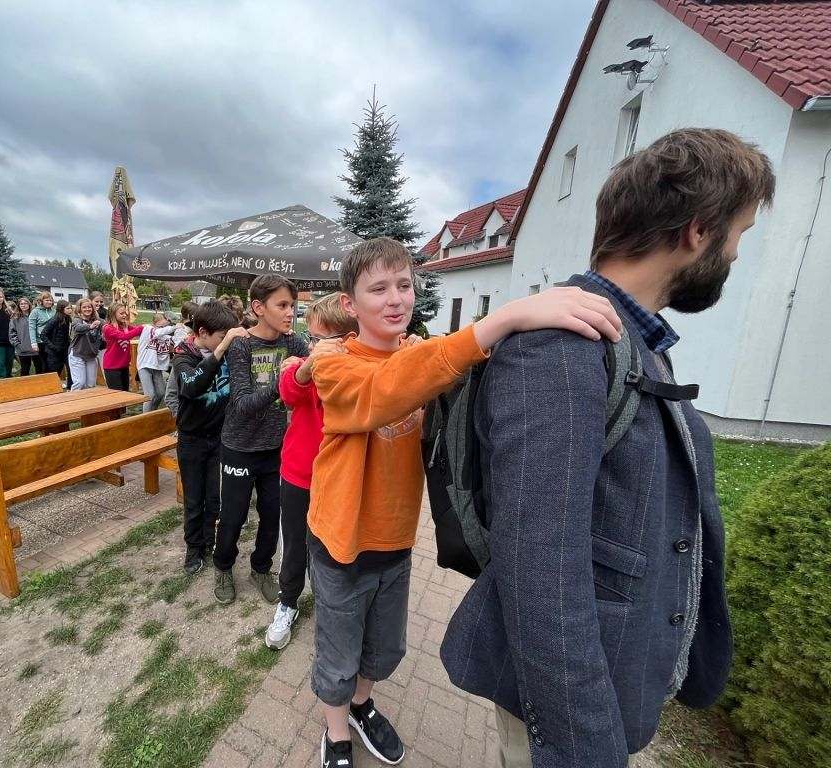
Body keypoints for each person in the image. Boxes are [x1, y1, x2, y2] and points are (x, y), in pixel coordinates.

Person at [439, 128, 775, 768]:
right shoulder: (561, 349)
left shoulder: (630, 337)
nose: (735, 252)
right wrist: (583, 746)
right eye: (739, 233)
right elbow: (542, 570)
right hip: (569, 702)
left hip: (613, 671)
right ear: (698, 231)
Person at [306, 237, 622, 767]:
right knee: (338, 651)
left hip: (395, 537)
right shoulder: (333, 364)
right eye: (378, 289)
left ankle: (361, 707)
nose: (395, 298)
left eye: (404, 285)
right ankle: (336, 733)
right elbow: (384, 391)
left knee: (383, 647)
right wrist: (506, 317)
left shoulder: (419, 354)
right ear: (348, 304)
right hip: (341, 540)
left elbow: (437, 374)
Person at [264, 292, 358, 651]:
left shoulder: (359, 372)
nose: (311, 345)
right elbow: (288, 394)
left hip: (338, 479)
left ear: (348, 338)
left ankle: (330, 603)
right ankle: (287, 602)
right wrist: (307, 365)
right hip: (299, 474)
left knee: (334, 548)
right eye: (310, 337)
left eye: (319, 338)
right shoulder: (305, 365)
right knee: (293, 544)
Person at [212, 275, 309, 606]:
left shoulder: (294, 343)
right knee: (234, 515)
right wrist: (285, 381)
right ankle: (223, 565)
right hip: (239, 446)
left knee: (272, 514)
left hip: (276, 447)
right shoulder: (241, 345)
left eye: (292, 305)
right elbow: (241, 404)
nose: (290, 313)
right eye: (282, 305)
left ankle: (261, 568)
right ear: (258, 307)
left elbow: (316, 370)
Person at [170, 301, 249, 575]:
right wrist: (221, 348)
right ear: (202, 332)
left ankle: (209, 540)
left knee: (214, 498)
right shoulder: (183, 355)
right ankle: (193, 548)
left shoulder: (226, 353)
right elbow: (191, 386)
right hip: (191, 440)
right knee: (194, 500)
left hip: (218, 437)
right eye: (222, 336)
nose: (226, 341)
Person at [136, 313, 176, 411]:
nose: (163, 329)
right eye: (160, 326)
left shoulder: (164, 335)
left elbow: (175, 340)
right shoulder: (148, 329)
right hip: (145, 366)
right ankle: (145, 417)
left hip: (157, 367)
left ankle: (152, 412)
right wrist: (174, 327)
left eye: (164, 326)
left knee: (160, 392)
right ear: (154, 323)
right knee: (149, 395)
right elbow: (157, 333)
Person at [102, 302, 143, 391]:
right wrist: (141, 328)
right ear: (113, 314)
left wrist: (148, 328)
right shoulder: (108, 328)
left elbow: (138, 331)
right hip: (112, 367)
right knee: (117, 395)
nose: (124, 315)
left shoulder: (124, 326)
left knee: (125, 393)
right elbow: (124, 336)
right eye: (121, 313)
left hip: (124, 365)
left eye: (125, 313)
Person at [69, 297, 103, 390]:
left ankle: (89, 400)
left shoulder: (98, 320)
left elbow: (108, 325)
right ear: (79, 309)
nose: (87, 309)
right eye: (84, 307)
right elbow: (78, 328)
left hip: (92, 355)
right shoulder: (76, 320)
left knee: (91, 385)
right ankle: (73, 398)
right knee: (80, 383)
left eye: (89, 307)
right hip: (77, 355)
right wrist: (90, 326)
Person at [41, 300, 72, 389]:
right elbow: (43, 335)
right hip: (54, 352)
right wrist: (53, 347)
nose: (70, 310)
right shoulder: (54, 320)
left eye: (70, 308)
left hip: (65, 349)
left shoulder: (67, 318)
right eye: (68, 308)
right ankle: (51, 388)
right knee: (55, 371)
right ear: (62, 309)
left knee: (70, 368)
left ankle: (70, 387)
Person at [9, 296, 41, 376]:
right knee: (25, 368)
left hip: (36, 347)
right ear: (19, 305)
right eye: (21, 304)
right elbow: (12, 332)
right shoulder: (15, 317)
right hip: (23, 348)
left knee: (39, 367)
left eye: (25, 303)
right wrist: (17, 344)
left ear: (29, 304)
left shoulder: (35, 315)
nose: (23, 305)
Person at [29, 292, 55, 373]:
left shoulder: (54, 312)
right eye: (47, 300)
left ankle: (53, 379)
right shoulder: (35, 312)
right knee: (45, 363)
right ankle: (46, 379)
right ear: (41, 301)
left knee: (53, 362)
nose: (49, 302)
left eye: (50, 300)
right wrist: (33, 343)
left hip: (53, 341)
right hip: (41, 341)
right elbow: (32, 328)